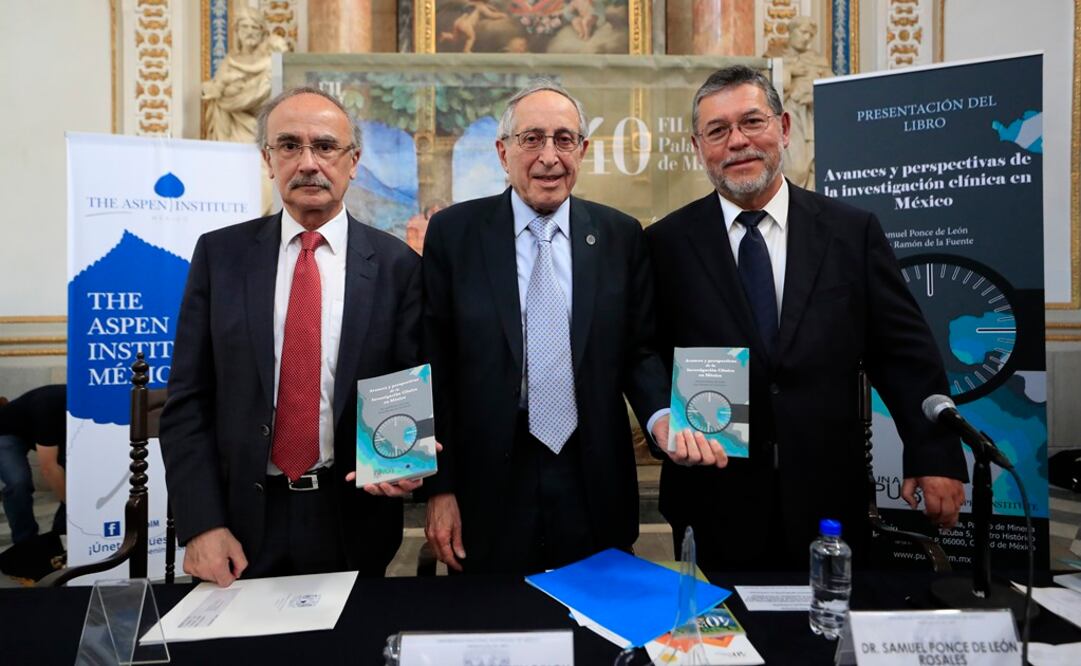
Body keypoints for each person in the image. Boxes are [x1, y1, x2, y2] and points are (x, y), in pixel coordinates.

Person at [645, 66, 968, 571]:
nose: (738, 142)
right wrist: (662, 420)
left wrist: (934, 454)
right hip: (713, 497)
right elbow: (644, 349)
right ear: (697, 145)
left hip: (828, 498)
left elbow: (903, 352)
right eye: (718, 130)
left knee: (827, 642)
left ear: (785, 128)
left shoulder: (851, 232)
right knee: (730, 644)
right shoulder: (665, 243)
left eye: (752, 122)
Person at [421, 80, 695, 576]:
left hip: (594, 480)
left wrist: (659, 417)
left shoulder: (620, 236)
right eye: (532, 139)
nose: (549, 155)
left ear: (583, 150)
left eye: (564, 139)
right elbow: (434, 363)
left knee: (597, 630)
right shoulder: (454, 234)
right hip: (488, 483)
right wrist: (440, 489)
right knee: (501, 630)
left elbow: (638, 350)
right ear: (503, 152)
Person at [161, 87, 423, 587]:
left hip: (353, 519)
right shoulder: (221, 258)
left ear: (353, 162)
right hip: (238, 525)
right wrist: (202, 524)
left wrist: (405, 462)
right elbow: (188, 403)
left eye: (325, 147)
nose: (308, 163)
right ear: (268, 159)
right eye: (289, 146)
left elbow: (409, 384)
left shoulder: (398, 267)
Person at [202, 7, 286, 143]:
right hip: (230, 125)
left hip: (259, 124)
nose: (249, 32)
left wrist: (231, 92)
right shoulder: (230, 60)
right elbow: (216, 91)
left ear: (262, 32)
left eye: (254, 28)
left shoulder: (270, 63)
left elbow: (270, 95)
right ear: (237, 31)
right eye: (245, 27)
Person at [0, 386, 67, 542]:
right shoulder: (49, 407)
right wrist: (72, 507)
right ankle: (25, 542)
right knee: (18, 482)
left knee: (76, 474)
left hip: (45, 429)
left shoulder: (88, 407)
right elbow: (48, 468)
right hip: (7, 432)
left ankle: (62, 532)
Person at [779, 16, 832, 189]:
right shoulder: (776, 58)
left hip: (812, 116)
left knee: (814, 165)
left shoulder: (818, 61)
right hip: (789, 115)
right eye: (803, 32)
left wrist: (815, 95)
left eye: (810, 35)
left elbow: (833, 88)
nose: (807, 38)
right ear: (791, 32)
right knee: (795, 167)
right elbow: (764, 89)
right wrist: (788, 72)